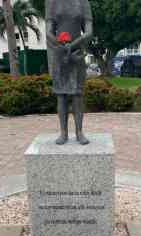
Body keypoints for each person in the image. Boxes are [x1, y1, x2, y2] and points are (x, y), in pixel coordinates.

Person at [45, 0, 93, 145]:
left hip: (76, 53)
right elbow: (48, 32)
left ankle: (79, 132)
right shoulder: (52, 2)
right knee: (61, 95)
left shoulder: (83, 2)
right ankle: (63, 133)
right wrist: (61, 46)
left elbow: (89, 31)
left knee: (78, 94)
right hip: (60, 54)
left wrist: (72, 45)